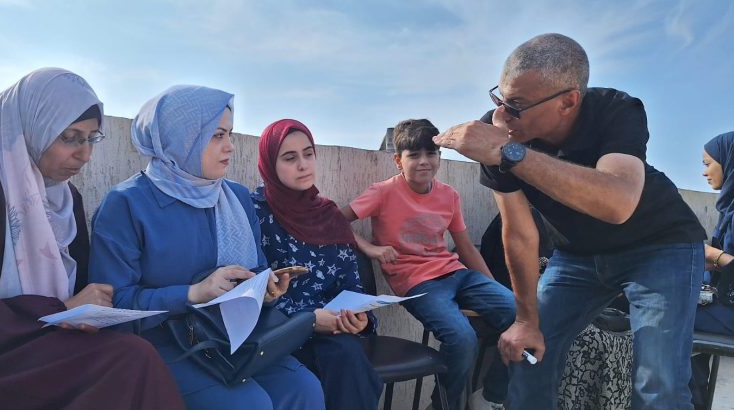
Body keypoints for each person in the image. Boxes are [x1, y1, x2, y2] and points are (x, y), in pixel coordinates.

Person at [435, 33, 706, 409]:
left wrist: (509, 153)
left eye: (516, 105)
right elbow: (519, 232)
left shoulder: (615, 110)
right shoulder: (497, 134)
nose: (502, 115)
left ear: (568, 101)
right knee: (528, 353)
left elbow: (618, 202)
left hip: (660, 247)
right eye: (500, 98)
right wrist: (525, 321)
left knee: (658, 382)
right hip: (576, 255)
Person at [0, 68, 183, 410]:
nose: (84, 154)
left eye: (91, 139)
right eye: (70, 137)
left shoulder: (65, 197)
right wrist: (59, 310)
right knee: (128, 360)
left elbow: (76, 293)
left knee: (128, 357)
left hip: (44, 342)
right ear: (33, 128)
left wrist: (87, 311)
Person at [88, 85, 325, 410]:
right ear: (182, 139)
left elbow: (254, 268)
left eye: (230, 134)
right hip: (164, 345)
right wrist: (193, 293)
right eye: (216, 136)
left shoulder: (236, 198)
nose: (230, 146)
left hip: (233, 337)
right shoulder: (127, 204)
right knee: (250, 405)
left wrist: (263, 289)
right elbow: (114, 308)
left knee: (304, 390)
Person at [342, 118, 516, 410]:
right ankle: (442, 405)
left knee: (519, 314)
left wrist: (492, 287)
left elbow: (465, 248)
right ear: (398, 160)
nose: (424, 161)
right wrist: (370, 248)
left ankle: (491, 395)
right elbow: (336, 220)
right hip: (417, 283)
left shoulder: (449, 195)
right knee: (462, 338)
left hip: (456, 274)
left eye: (431, 153)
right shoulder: (383, 192)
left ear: (440, 156)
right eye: (414, 155)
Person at [252, 118, 383, 410]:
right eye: (290, 158)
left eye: (308, 154)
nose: (303, 165)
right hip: (278, 332)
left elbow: (352, 287)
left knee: (347, 356)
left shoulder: (329, 214)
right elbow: (252, 287)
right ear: (270, 164)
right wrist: (309, 320)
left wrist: (360, 319)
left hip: (332, 333)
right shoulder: (255, 213)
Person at [690, 131, 734, 409]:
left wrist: (714, 256)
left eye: (708, 163)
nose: (704, 172)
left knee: (667, 314)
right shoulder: (729, 210)